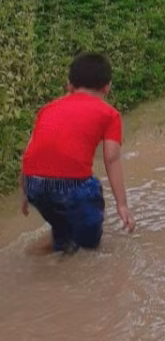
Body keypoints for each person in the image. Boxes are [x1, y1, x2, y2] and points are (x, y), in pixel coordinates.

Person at [20, 52, 135, 252]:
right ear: (107, 86)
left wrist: (24, 192)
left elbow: (30, 151)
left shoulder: (47, 109)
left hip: (33, 186)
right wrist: (122, 205)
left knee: (63, 234)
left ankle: (54, 253)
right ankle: (83, 251)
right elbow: (111, 159)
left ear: (70, 85)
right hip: (72, 186)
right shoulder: (110, 114)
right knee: (88, 246)